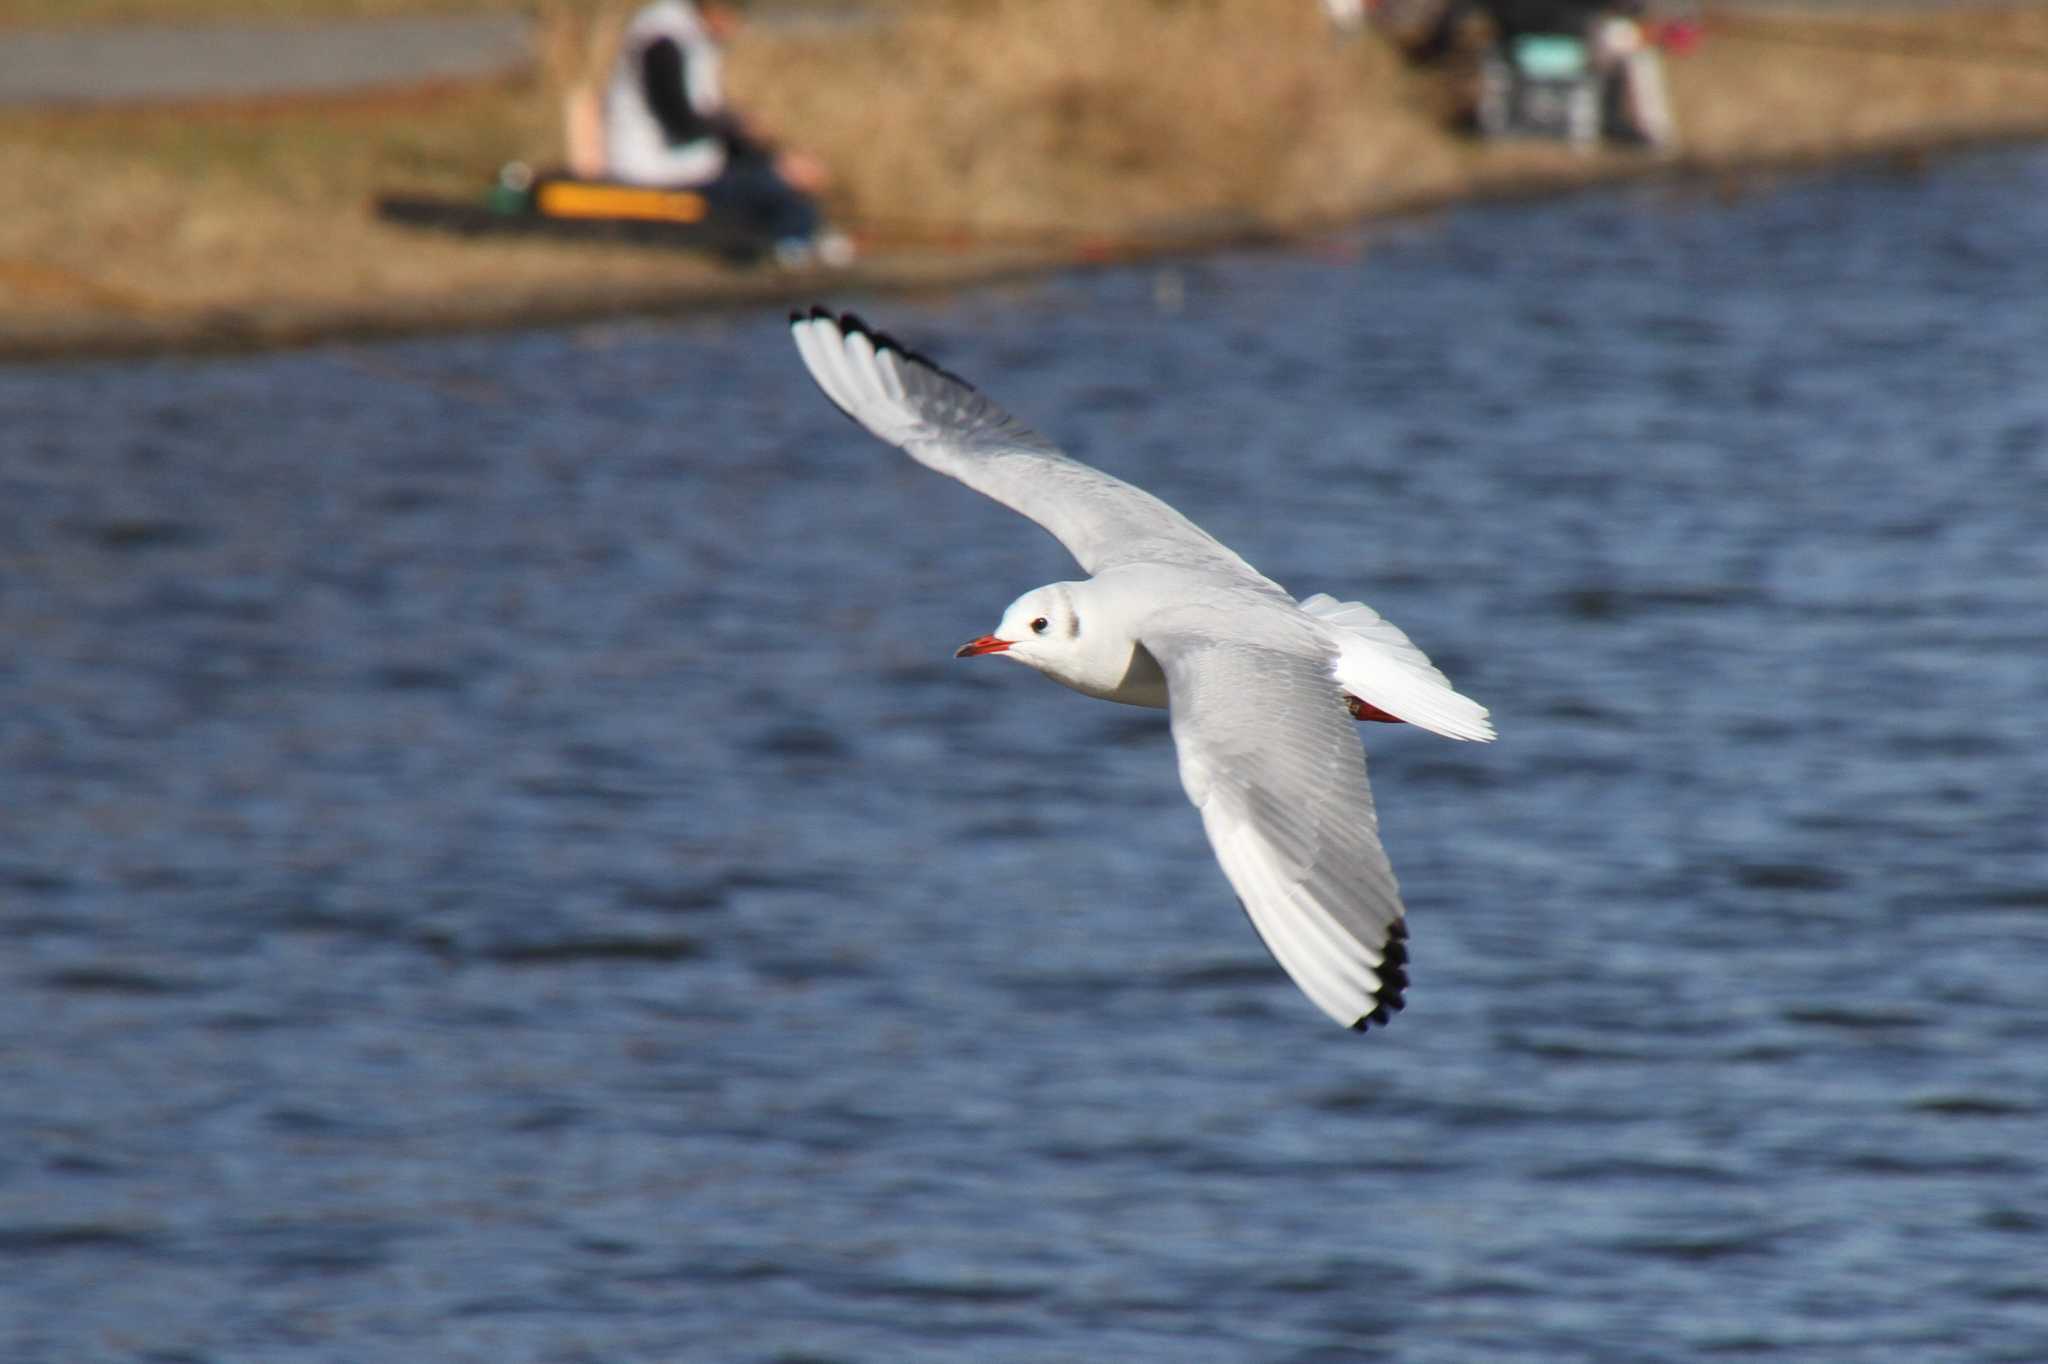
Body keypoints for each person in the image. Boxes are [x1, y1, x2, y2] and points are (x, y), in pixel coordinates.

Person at [596, 0, 849, 263]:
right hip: (657, 173)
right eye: (734, 14)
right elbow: (682, 124)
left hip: (689, 165)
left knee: (776, 176)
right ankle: (792, 247)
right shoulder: (662, 40)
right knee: (776, 190)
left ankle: (800, 237)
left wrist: (775, 154)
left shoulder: (690, 35)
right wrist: (740, 129)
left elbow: (707, 119)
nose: (735, 27)